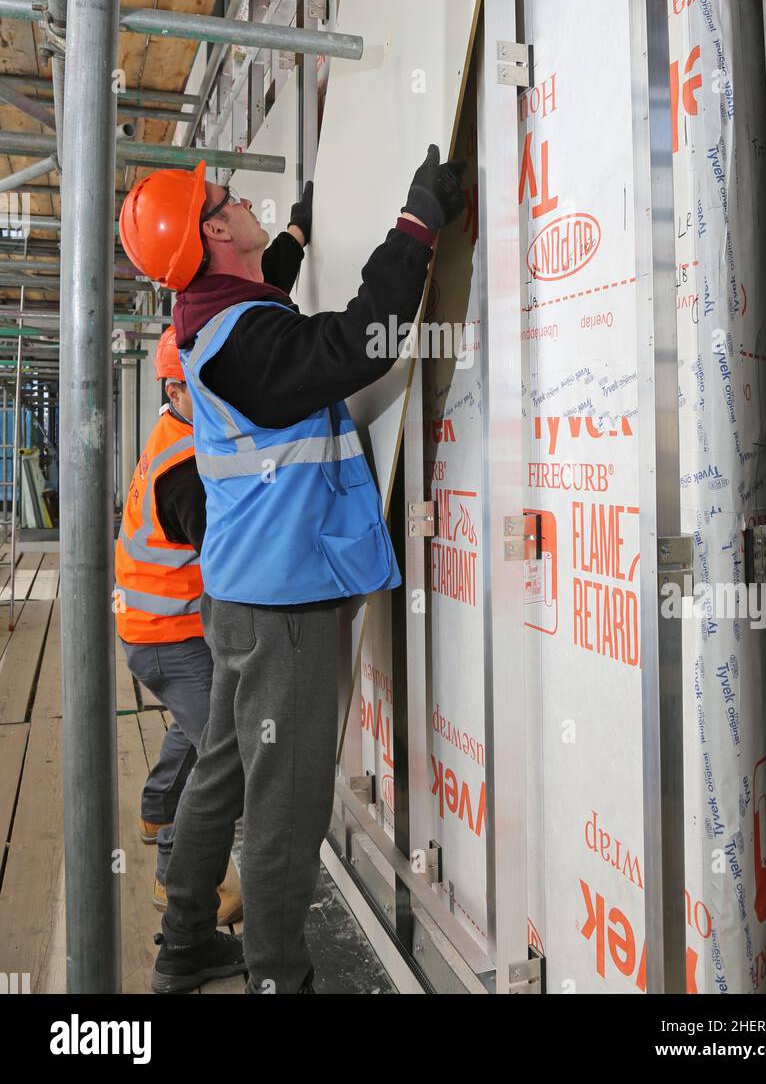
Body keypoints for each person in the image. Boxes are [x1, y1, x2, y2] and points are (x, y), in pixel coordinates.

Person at [118, 146, 465, 994]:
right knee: (286, 810)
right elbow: (358, 342)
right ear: (214, 228)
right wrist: (417, 223)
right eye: (229, 199)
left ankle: (186, 945)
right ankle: (280, 979)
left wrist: (304, 226)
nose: (242, 201)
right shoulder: (247, 345)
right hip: (285, 611)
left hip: (244, 599)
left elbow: (261, 281)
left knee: (226, 770)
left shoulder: (207, 314)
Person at [114, 325, 241, 924]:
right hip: (167, 635)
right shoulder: (186, 465)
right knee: (224, 748)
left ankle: (156, 808)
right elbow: (222, 559)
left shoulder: (177, 428)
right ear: (174, 388)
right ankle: (174, 876)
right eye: (202, 386)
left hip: (152, 629)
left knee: (197, 727)